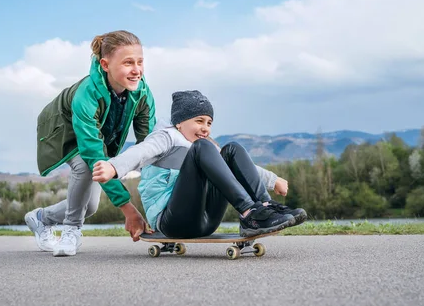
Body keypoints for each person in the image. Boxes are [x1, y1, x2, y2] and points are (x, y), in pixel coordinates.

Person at [92, 90, 307, 239]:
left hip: (206, 220)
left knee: (231, 150)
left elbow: (236, 169)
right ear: (179, 122)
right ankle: (249, 213)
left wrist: (273, 179)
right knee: (205, 147)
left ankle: (263, 210)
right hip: (171, 221)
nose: (206, 128)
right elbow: (140, 152)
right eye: (199, 121)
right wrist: (114, 166)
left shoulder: (203, 146)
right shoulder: (165, 137)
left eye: (209, 123)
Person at [24, 30, 156, 256]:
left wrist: (157, 203)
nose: (136, 70)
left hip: (94, 138)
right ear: (105, 64)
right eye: (127, 63)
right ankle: (71, 230)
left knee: (90, 206)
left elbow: (150, 146)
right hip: (63, 131)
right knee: (86, 165)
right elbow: (93, 153)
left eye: (140, 62)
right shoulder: (87, 93)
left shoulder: (142, 93)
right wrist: (128, 209)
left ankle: (40, 218)